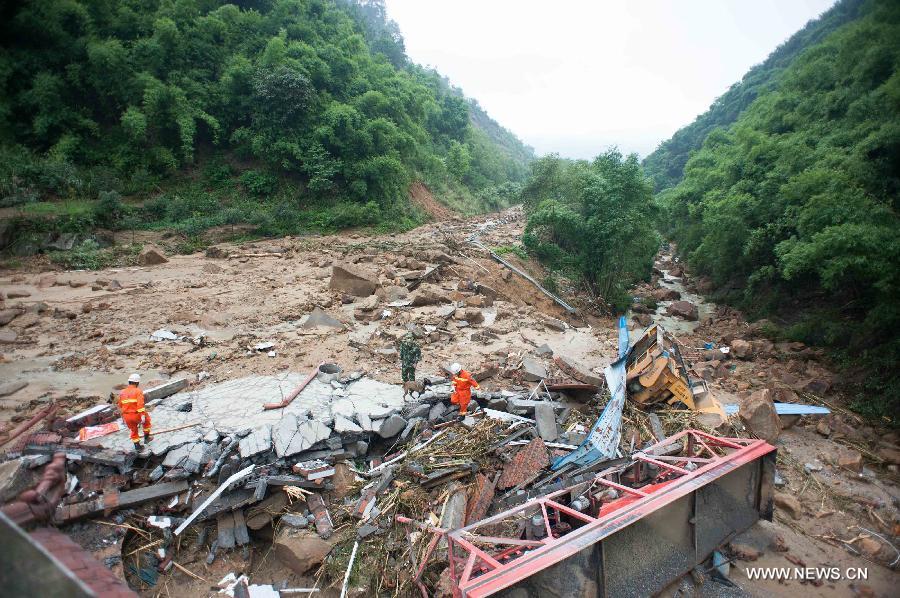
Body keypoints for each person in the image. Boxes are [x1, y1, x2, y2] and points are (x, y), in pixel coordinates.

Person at [118, 373, 152, 450]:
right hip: (136, 415)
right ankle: (146, 438)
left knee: (133, 430)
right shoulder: (138, 391)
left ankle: (137, 446)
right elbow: (140, 405)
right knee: (147, 422)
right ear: (137, 383)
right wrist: (142, 415)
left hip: (126, 416)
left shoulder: (122, 392)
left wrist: (122, 417)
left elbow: (120, 405)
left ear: (129, 381)